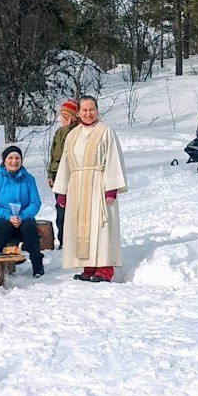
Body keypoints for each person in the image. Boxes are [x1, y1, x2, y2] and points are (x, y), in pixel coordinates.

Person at [53, 96, 127, 283]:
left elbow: (113, 158)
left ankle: (104, 269)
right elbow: (65, 163)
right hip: (77, 185)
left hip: (98, 183)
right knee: (82, 227)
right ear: (78, 113)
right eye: (84, 110)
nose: (88, 113)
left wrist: (112, 188)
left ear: (97, 110)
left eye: (91, 109)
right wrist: (62, 191)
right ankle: (88, 267)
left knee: (100, 226)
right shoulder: (73, 135)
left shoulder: (105, 131)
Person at [0, 145, 44, 277]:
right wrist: (7, 216)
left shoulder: (28, 179)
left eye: (17, 158)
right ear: (4, 160)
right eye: (10, 158)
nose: (14, 161)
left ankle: (37, 266)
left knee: (30, 226)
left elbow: (35, 202)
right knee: (2, 226)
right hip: (2, 219)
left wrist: (23, 216)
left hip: (23, 218)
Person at [48, 99, 78, 248]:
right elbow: (53, 155)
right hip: (57, 175)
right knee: (60, 210)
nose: (64, 118)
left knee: (71, 211)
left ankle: (73, 240)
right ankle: (62, 240)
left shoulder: (76, 131)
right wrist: (50, 174)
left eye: (67, 114)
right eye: (62, 114)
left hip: (72, 176)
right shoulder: (58, 133)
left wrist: (68, 127)